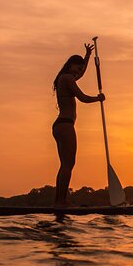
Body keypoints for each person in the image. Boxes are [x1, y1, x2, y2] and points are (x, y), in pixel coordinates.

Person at [52, 43, 105, 208]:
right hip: (66, 126)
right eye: (76, 67)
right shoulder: (67, 78)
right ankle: (61, 201)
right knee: (69, 164)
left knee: (65, 165)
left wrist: (87, 56)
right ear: (70, 64)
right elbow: (82, 97)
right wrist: (98, 98)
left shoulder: (65, 78)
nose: (78, 71)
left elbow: (81, 74)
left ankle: (59, 201)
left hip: (60, 126)